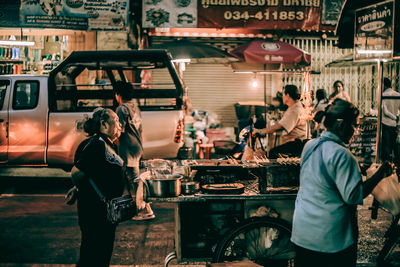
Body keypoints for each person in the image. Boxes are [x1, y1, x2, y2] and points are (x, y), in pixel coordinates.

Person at [291, 99, 392, 267]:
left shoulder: (310, 146)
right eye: (354, 125)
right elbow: (353, 196)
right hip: (330, 240)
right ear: (341, 125)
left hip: (303, 234)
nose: (356, 131)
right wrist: (380, 174)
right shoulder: (343, 155)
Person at [71, 108, 125, 267]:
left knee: (100, 254)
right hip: (95, 212)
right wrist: (78, 187)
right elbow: (76, 173)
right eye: (116, 121)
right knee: (93, 255)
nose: (120, 125)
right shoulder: (97, 145)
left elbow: (92, 173)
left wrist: (77, 189)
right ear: (103, 124)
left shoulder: (106, 143)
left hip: (104, 212)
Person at [114, 81, 154, 221]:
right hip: (137, 146)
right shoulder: (135, 108)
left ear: (118, 95)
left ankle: (146, 209)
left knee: (135, 181)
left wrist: (114, 143)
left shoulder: (121, 109)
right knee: (132, 179)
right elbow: (140, 130)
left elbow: (119, 131)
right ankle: (136, 208)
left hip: (128, 148)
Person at [253, 84, 307, 158]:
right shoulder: (293, 107)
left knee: (272, 153)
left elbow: (280, 126)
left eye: (283, 95)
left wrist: (261, 131)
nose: (282, 97)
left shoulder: (295, 110)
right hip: (293, 141)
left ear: (287, 95)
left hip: (296, 143)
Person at [381, 77, 400, 165]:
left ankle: (386, 167)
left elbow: (385, 112)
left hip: (386, 124)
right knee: (394, 146)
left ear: (383, 84)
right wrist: (397, 119)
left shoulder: (383, 95)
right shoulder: (397, 94)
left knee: (386, 147)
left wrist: (394, 117)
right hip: (394, 125)